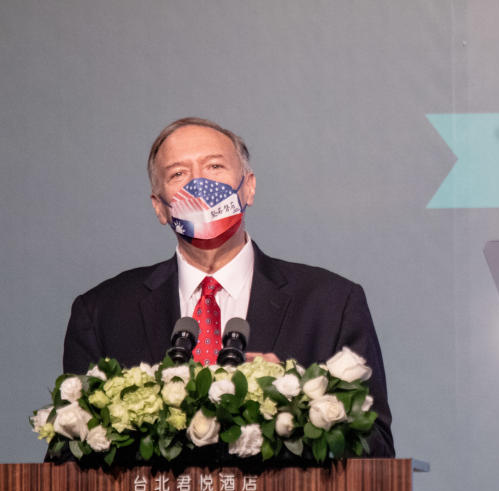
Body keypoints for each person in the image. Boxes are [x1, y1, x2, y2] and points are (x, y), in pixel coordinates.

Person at [61, 117, 394, 458]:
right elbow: (69, 454)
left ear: (248, 187)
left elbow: (375, 447)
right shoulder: (102, 312)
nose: (200, 184)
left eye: (215, 166)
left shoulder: (330, 303)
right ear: (159, 207)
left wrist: (295, 405)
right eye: (178, 174)